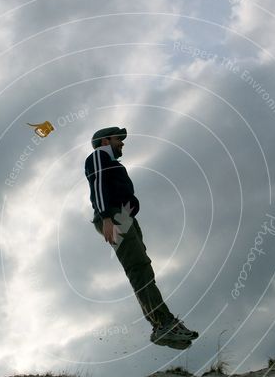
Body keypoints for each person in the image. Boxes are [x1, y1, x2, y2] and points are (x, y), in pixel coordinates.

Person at [84, 126, 198, 349]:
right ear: (105, 141)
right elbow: (97, 184)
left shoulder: (114, 163)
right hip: (113, 216)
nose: (123, 143)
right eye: (119, 139)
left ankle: (162, 324)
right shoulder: (98, 156)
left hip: (124, 217)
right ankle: (163, 323)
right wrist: (106, 217)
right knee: (138, 268)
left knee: (143, 268)